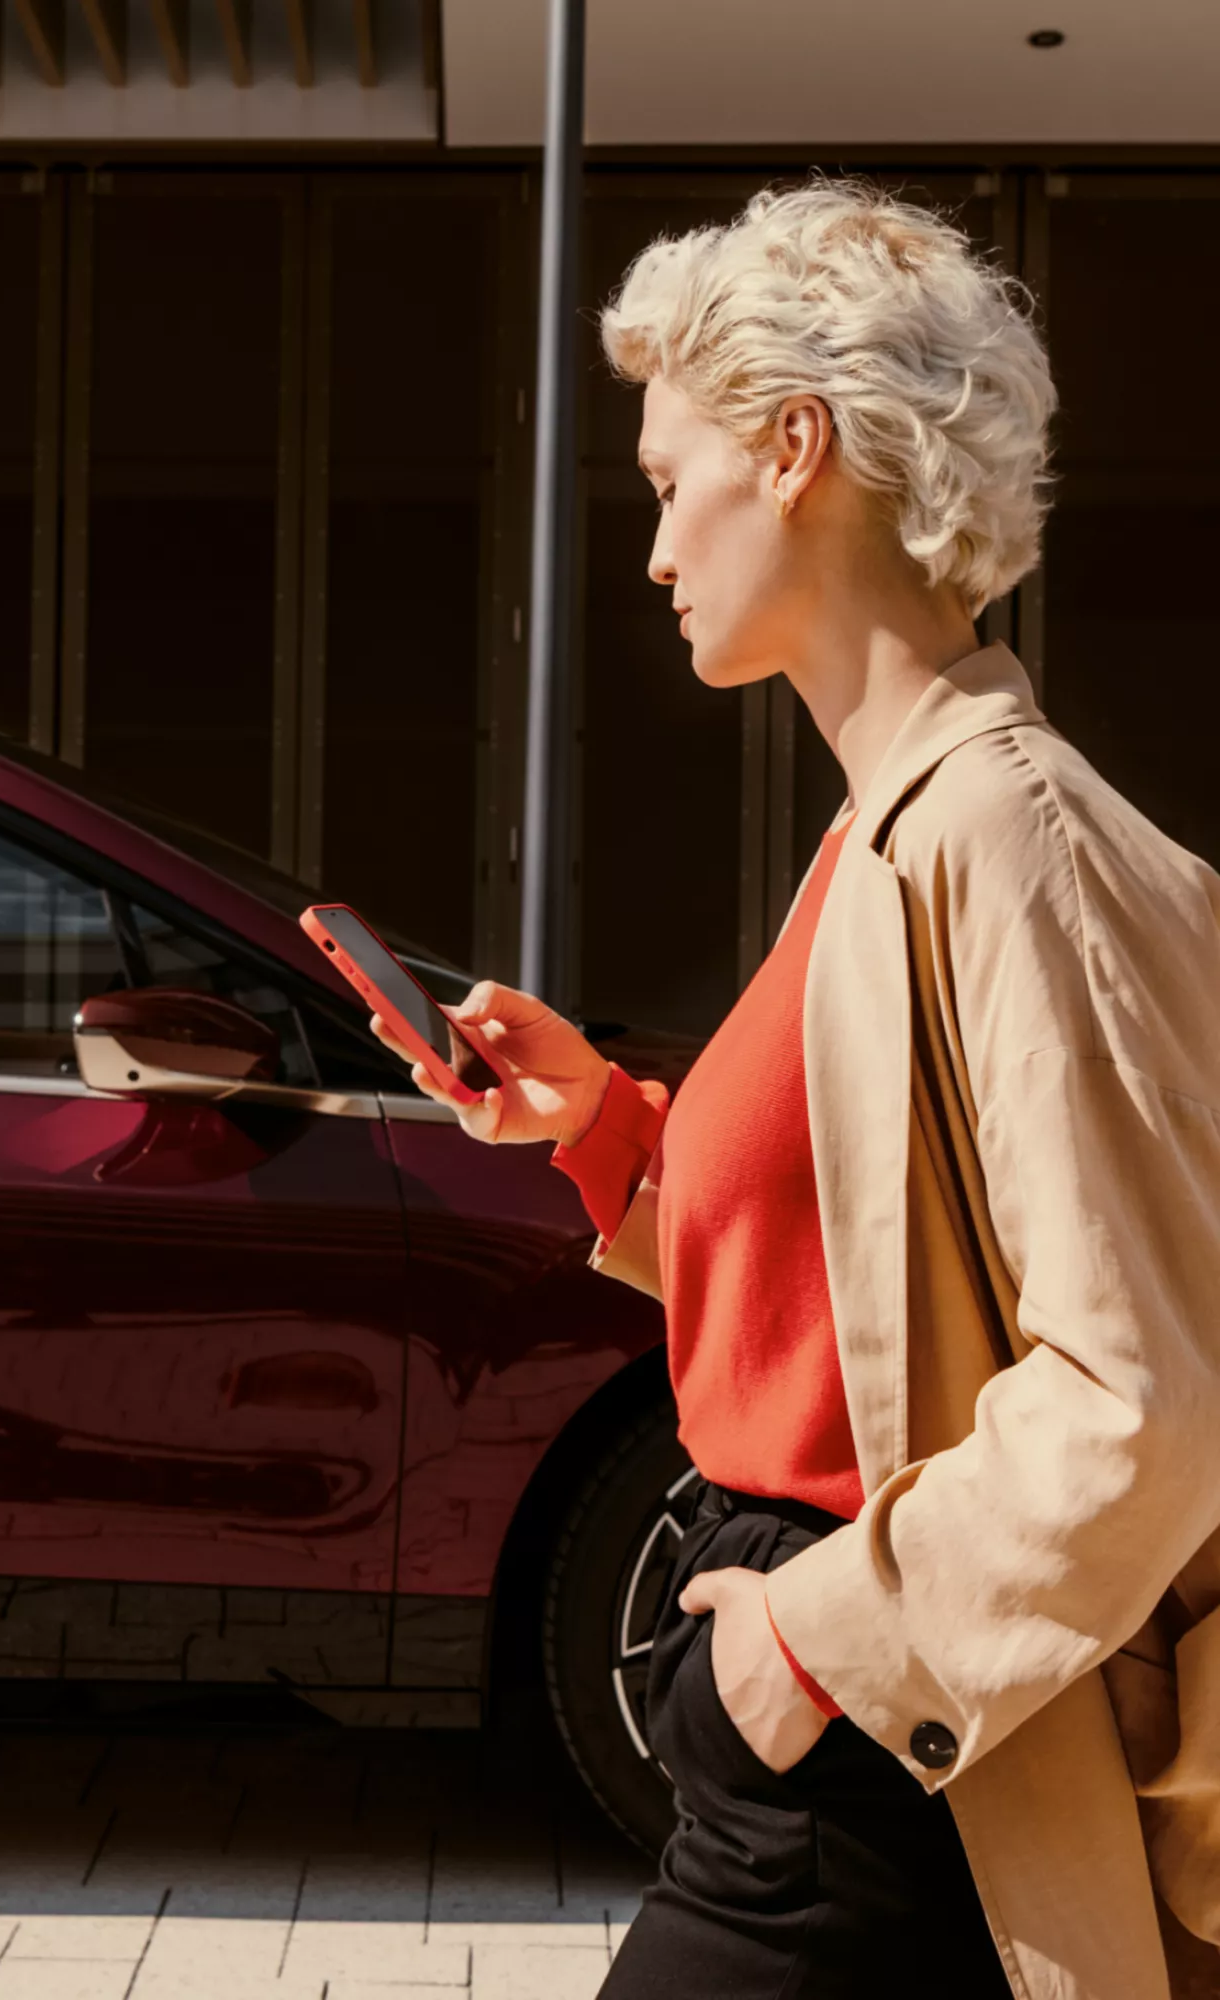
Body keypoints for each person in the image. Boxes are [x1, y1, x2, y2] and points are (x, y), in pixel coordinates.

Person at [379, 180, 1220, 1998]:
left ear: (794, 447)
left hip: (903, 1754)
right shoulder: (882, 830)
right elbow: (864, 1289)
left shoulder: (1011, 837)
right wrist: (604, 1129)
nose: (653, 548)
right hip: (841, 1724)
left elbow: (1142, 1406)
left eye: (668, 479)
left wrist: (812, 1651)